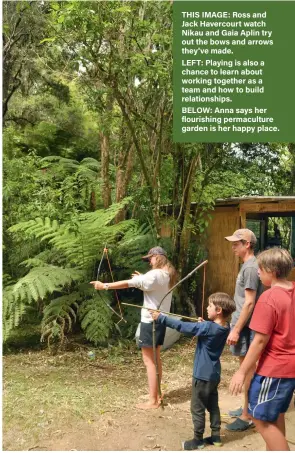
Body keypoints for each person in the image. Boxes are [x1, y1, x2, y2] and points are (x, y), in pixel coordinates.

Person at [90, 246, 177, 409]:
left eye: (150, 259)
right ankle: (157, 393)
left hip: (150, 322)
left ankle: (153, 400)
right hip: (160, 320)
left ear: (158, 257)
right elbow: (148, 282)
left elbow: (129, 283)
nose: (149, 263)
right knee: (156, 357)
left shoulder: (154, 275)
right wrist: (143, 277)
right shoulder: (167, 274)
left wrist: (105, 286)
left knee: (149, 360)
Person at [151, 292, 236, 450]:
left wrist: (161, 318)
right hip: (214, 375)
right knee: (213, 405)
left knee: (197, 407)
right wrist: (203, 325)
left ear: (218, 310)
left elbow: (183, 327)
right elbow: (208, 330)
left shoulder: (207, 327)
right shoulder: (225, 327)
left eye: (210, 306)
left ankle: (198, 440)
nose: (206, 307)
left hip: (202, 375)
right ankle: (216, 436)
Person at [230, 247, 295, 451]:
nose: (258, 272)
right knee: (275, 415)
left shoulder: (268, 298)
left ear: (272, 271)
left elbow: (259, 342)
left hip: (274, 370)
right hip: (290, 367)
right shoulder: (292, 289)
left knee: (260, 417)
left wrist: (241, 373)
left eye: (261, 269)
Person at [224, 228, 263, 431]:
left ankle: (248, 415)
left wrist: (236, 329)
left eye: (236, 243)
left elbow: (249, 303)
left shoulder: (250, 268)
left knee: (247, 369)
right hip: (244, 325)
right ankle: (246, 407)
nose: (233, 247)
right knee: (247, 368)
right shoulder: (249, 266)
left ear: (247, 244)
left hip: (246, 327)